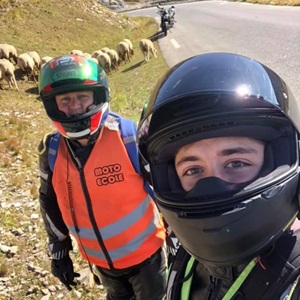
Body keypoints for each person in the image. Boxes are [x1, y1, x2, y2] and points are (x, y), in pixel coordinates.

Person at [137, 52, 300, 299]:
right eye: (193, 170)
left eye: (236, 163)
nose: (211, 186)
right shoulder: (186, 255)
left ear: (278, 160)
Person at [37, 54, 167, 300]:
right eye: (65, 99)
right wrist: (59, 251)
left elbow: (165, 192)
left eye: (83, 97)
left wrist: (181, 241)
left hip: (146, 259)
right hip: (101, 263)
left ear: (98, 96)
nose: (75, 106)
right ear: (52, 104)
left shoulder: (129, 137)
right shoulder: (51, 151)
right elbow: (49, 202)